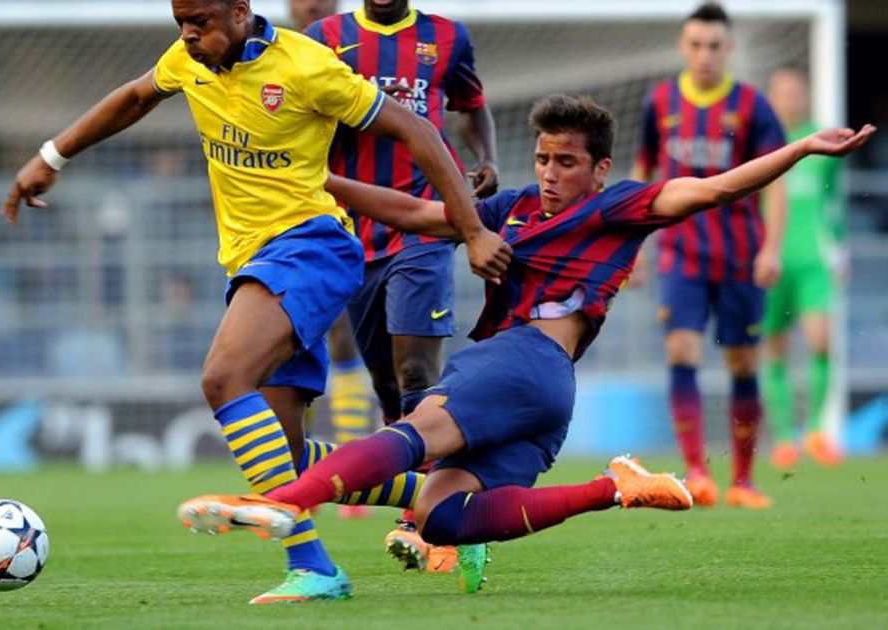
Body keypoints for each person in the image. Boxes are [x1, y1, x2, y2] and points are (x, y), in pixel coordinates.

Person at [176, 95, 873, 595]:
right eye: (542, 158)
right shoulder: (508, 209)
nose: (548, 173)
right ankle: (614, 488)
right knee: (442, 518)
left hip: (521, 360)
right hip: (545, 390)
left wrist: (801, 148)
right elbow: (416, 212)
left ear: (599, 169)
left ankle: (288, 501)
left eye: (566, 162)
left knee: (414, 432)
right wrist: (317, 179)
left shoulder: (616, 207)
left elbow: (711, 189)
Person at [0, 0, 510, 604]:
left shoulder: (306, 65)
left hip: (311, 246)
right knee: (288, 454)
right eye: (180, 23)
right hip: (254, 260)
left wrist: (473, 230)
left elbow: (417, 129)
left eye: (200, 22)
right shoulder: (188, 60)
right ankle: (444, 497)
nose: (189, 35)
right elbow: (135, 97)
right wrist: (52, 156)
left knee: (223, 378)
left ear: (240, 12)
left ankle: (314, 565)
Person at [306, 0, 498, 571]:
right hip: (353, 230)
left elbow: (472, 105)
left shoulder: (447, 37)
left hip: (425, 223)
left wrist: (486, 157)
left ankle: (426, 519)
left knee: (416, 370)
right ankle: (439, 491)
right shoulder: (324, 38)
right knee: (387, 384)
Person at [632, 2, 788, 509]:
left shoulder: (752, 106)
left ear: (729, 48)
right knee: (682, 351)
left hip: (741, 253)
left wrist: (772, 247)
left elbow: (776, 181)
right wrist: (634, 243)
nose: (705, 55)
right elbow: (643, 170)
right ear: (683, 46)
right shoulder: (660, 102)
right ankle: (697, 472)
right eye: (696, 45)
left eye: (714, 46)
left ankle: (743, 480)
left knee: (742, 361)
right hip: (681, 251)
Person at [287, 0, 378, 522]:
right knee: (291, 340)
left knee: (346, 338)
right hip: (289, 217)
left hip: (349, 207)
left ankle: (349, 466)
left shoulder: (346, 57)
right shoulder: (268, 56)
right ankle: (300, 471)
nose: (310, 3)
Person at [762, 68, 846, 468]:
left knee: (821, 341)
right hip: (772, 261)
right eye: (784, 93)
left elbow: (834, 201)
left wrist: (839, 249)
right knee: (775, 348)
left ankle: (814, 430)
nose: (792, 99)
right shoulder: (761, 143)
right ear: (772, 98)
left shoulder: (822, 142)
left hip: (813, 260)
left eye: (798, 92)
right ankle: (783, 437)